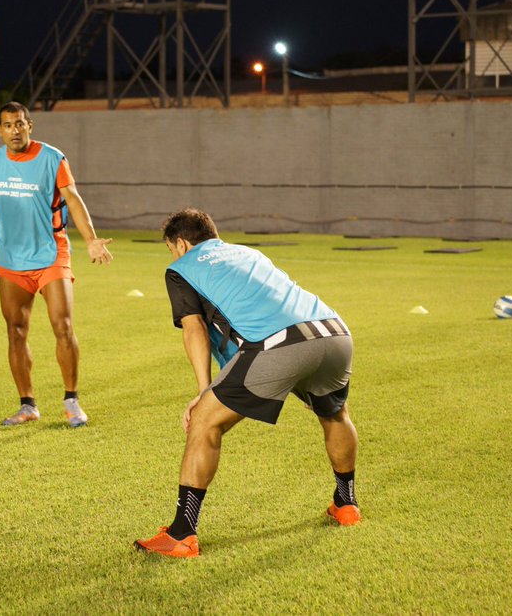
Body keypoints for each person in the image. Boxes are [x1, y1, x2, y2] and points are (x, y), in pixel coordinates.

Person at [134, 208, 359, 558]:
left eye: (171, 249)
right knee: (335, 414)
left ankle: (181, 535)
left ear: (180, 244)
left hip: (281, 343)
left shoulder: (182, 267)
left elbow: (194, 330)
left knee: (204, 422)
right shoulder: (247, 252)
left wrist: (203, 392)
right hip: (334, 332)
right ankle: (346, 505)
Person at [0, 101, 113, 428]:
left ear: (30, 126)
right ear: (0, 130)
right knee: (15, 332)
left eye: (20, 124)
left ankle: (71, 402)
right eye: (8, 125)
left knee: (63, 326)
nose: (15, 130)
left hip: (51, 255)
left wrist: (91, 239)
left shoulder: (53, 158)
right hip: (11, 261)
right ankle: (27, 405)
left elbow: (73, 199)